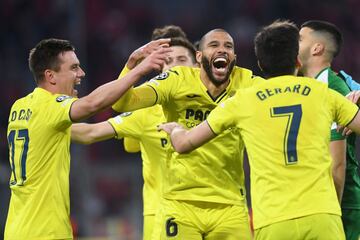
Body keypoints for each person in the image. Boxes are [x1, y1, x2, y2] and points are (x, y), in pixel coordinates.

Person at [158, 20, 360, 240]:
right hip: (322, 216)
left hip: (273, 222)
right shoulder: (323, 93)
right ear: (297, 61)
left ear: (261, 65)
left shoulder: (243, 100)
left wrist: (176, 129)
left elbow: (184, 144)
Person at [5, 38, 171, 240]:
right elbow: (93, 104)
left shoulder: (20, 107)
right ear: (51, 76)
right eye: (74, 68)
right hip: (45, 230)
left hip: (16, 228)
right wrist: (139, 70)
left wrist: (129, 65)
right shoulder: (51, 107)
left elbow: (86, 133)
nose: (81, 73)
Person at [112, 29, 264, 239]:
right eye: (214, 45)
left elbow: (280, 98)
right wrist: (132, 65)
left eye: (228, 46)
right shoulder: (177, 80)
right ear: (199, 57)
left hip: (230, 205)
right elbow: (123, 103)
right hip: (180, 203)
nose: (222, 49)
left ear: (234, 59)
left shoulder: (247, 82)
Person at [71, 35, 197, 240]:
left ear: (197, 66)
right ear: (161, 72)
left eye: (182, 61)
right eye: (168, 62)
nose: (175, 68)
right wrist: (45, 124)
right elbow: (91, 132)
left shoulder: (216, 106)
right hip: (161, 214)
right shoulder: (146, 113)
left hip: (214, 211)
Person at [298, 20, 360, 240]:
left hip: (342, 206)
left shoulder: (333, 88)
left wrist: (330, 213)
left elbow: (338, 163)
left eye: (300, 38)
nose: (292, 44)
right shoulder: (305, 87)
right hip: (318, 202)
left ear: (317, 48)